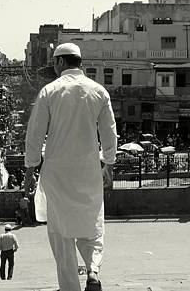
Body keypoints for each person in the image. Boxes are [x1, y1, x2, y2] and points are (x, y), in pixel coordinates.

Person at [24, 43, 117, 291]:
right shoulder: (99, 92)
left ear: (61, 63)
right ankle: (93, 269)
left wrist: (31, 169)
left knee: (61, 234)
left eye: (55, 63)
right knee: (93, 226)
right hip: (88, 172)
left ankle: (70, 288)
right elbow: (109, 134)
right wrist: (109, 164)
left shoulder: (49, 92)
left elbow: (34, 135)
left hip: (57, 174)